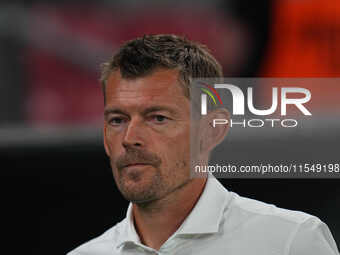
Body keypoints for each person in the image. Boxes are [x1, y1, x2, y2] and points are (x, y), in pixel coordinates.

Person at [67, 34, 339, 255]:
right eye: (118, 120)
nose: (129, 138)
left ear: (211, 131)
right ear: (105, 136)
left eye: (158, 118)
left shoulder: (292, 241)